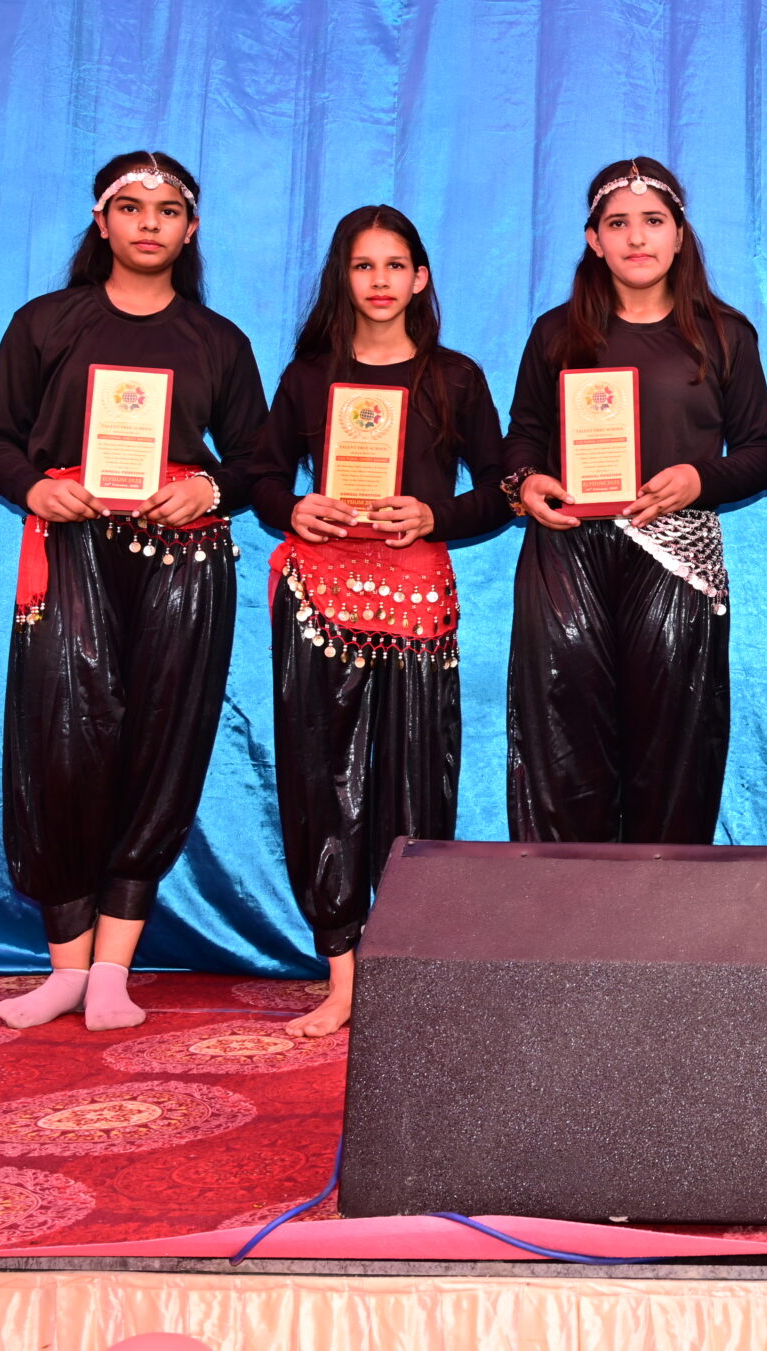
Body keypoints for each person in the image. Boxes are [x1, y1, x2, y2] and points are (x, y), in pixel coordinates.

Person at [0, 151, 268, 1031]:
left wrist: (209, 488)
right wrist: (34, 487)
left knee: (159, 747)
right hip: (71, 550)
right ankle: (65, 967)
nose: (149, 223)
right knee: (59, 746)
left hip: (184, 562)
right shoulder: (44, 323)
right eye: (130, 207)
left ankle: (112, 971)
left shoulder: (219, 341)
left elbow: (258, 461)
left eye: (167, 209)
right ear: (101, 223)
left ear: (191, 228)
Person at [249, 207, 508, 1037]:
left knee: (416, 781)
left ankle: (403, 974)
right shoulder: (307, 378)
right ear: (343, 277)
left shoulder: (456, 378)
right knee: (322, 781)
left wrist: (436, 515)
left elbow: (502, 487)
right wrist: (294, 506)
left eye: (396, 264)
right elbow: (258, 475)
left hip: (416, 600)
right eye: (364, 266)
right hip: (319, 602)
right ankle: (343, 979)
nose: (381, 280)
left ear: (421, 277)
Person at [501, 157, 767, 844]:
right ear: (593, 239)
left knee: (672, 744)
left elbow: (763, 453)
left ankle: (661, 907)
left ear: (679, 235)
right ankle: (568, 906)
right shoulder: (555, 333)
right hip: (566, 553)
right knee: (565, 739)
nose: (636, 237)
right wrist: (527, 482)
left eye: (653, 221)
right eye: (617, 223)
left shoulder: (725, 334)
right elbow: (522, 436)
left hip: (676, 555)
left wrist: (698, 480)